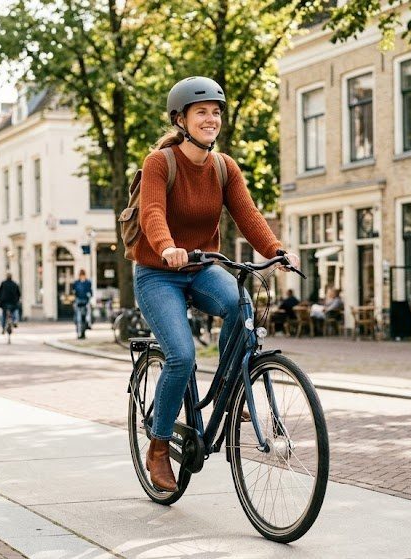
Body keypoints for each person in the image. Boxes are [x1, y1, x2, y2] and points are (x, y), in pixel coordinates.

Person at [131, 77, 300, 492]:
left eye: (216, 112)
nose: (211, 119)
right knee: (181, 355)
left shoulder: (224, 167)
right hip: (158, 272)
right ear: (181, 120)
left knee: (242, 307)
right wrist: (167, 247)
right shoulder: (160, 163)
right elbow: (152, 213)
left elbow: (248, 215)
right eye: (201, 112)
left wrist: (276, 249)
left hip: (203, 267)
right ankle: (159, 446)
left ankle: (229, 387)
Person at [72, 269, 93, 339]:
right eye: (81, 275)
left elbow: (90, 292)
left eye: (83, 275)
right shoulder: (76, 283)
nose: (82, 277)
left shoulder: (88, 283)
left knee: (84, 318)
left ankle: (83, 333)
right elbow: (74, 292)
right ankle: (78, 333)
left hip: (85, 303)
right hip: (78, 302)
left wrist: (88, 296)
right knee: (78, 319)